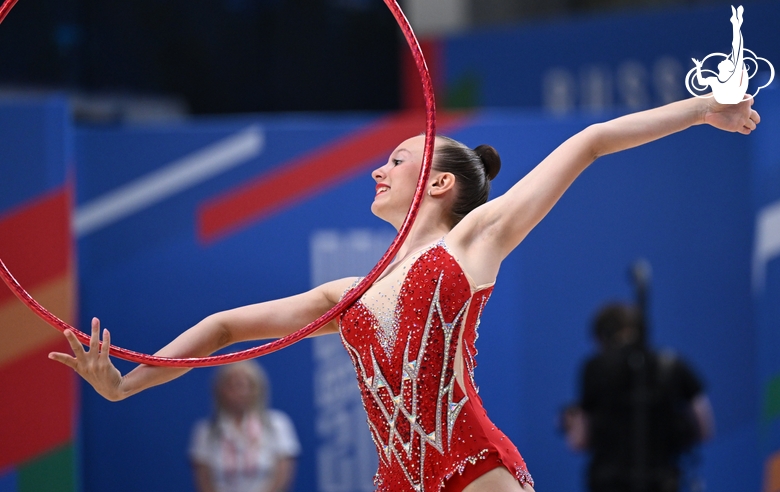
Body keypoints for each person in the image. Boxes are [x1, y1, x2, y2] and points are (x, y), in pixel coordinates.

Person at [48, 93, 758, 492]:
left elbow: (593, 139)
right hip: (397, 480)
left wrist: (700, 111)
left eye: (394, 161)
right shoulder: (346, 293)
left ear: (440, 184)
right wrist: (123, 387)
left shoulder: (475, 239)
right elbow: (226, 326)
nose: (375, 173)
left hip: (474, 467)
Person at [562, 303, 714, 492]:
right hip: (662, 481)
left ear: (602, 336)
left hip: (608, 483)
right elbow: (705, 428)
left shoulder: (594, 368)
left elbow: (580, 440)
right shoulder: (672, 365)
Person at [189, 360, 300, 492]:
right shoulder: (205, 431)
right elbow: (204, 480)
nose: (241, 392)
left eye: (247, 385)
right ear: (220, 390)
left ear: (258, 389)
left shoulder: (278, 424)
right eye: (233, 385)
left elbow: (283, 474)